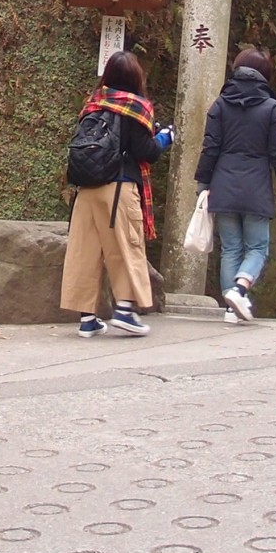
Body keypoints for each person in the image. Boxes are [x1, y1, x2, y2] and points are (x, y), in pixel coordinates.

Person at [61, 50, 172, 337]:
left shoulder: (92, 106)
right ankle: (124, 310)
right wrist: (163, 138)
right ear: (136, 78)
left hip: (86, 191)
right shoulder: (134, 108)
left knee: (85, 250)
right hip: (119, 189)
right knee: (125, 247)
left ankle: (87, 319)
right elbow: (145, 152)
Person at [194, 47, 276, 323]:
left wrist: (203, 181)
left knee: (231, 248)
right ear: (265, 75)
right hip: (256, 188)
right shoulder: (271, 108)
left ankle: (231, 309)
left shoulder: (220, 104)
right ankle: (239, 290)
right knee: (257, 248)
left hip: (223, 184)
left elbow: (210, 147)